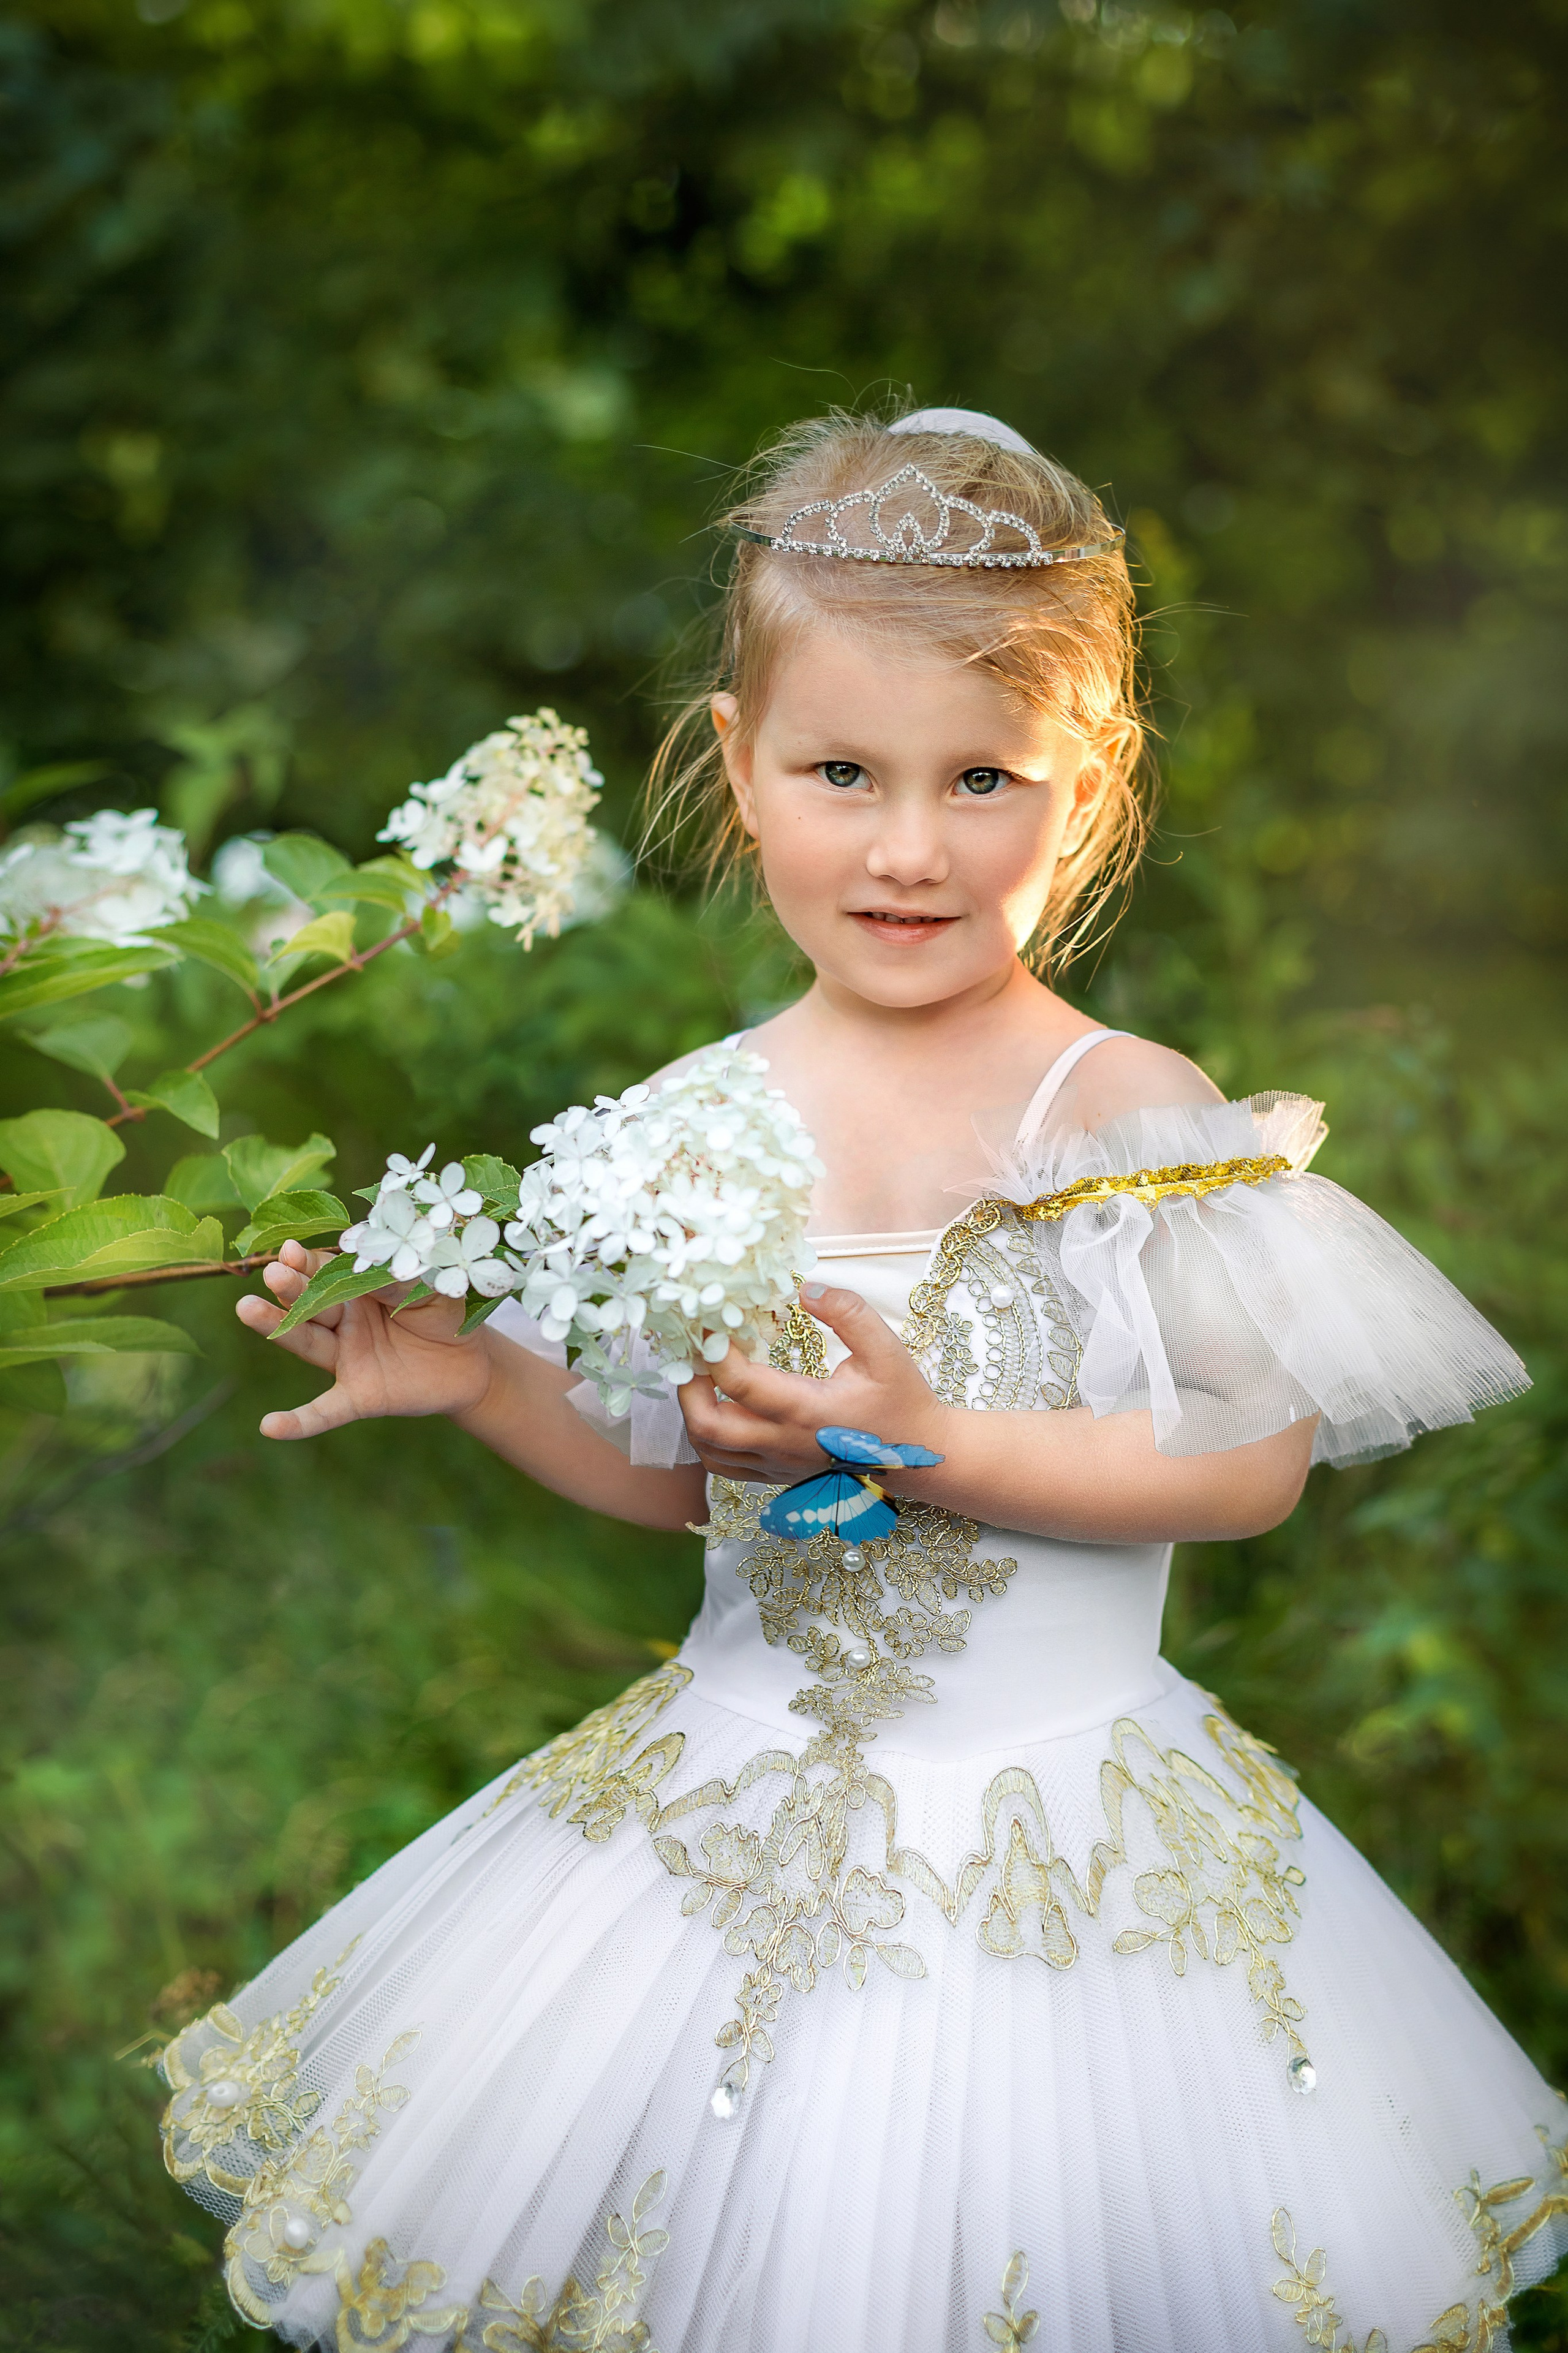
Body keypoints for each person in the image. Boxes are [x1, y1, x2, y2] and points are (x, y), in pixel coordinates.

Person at [161, 407, 1567, 2351]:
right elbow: (691, 1476)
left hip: (1064, 1844)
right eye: (843, 771)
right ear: (742, 768)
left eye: (982, 778)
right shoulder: (689, 1121)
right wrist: (483, 1379)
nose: (909, 847)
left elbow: (1245, 1466)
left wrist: (935, 1441)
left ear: (1087, 786)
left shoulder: (1122, 1111)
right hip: (732, 1816)